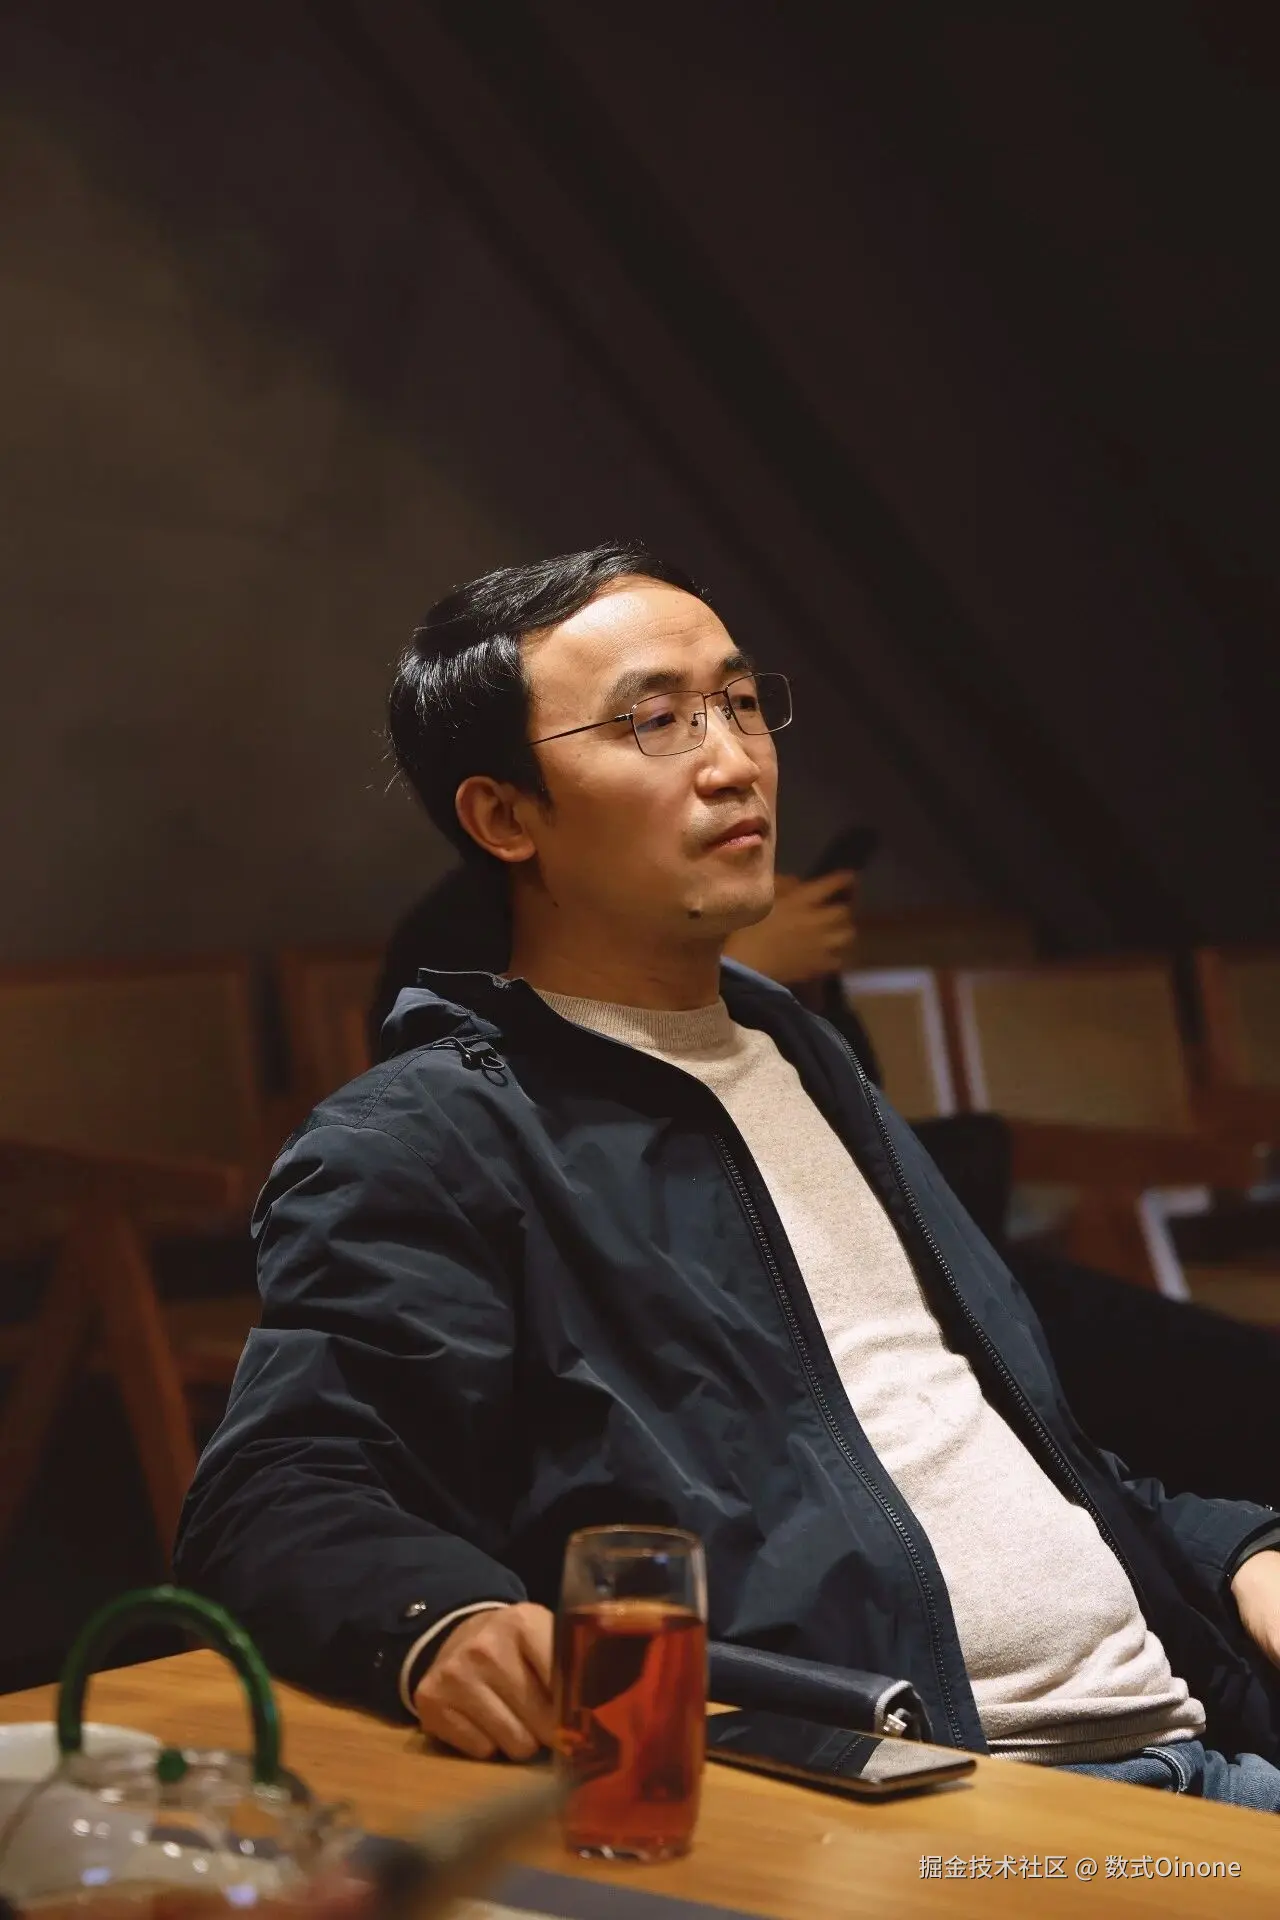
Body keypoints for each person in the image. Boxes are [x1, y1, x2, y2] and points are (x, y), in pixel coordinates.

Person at [174, 543, 1280, 1808]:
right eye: (653, 721)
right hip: (951, 1793)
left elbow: (994, 1449)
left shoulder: (801, 1060)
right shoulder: (428, 1137)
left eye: (741, 703)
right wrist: (439, 1621)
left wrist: (1235, 1554)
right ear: (503, 818)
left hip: (1189, 1726)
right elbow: (276, 1491)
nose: (733, 760)